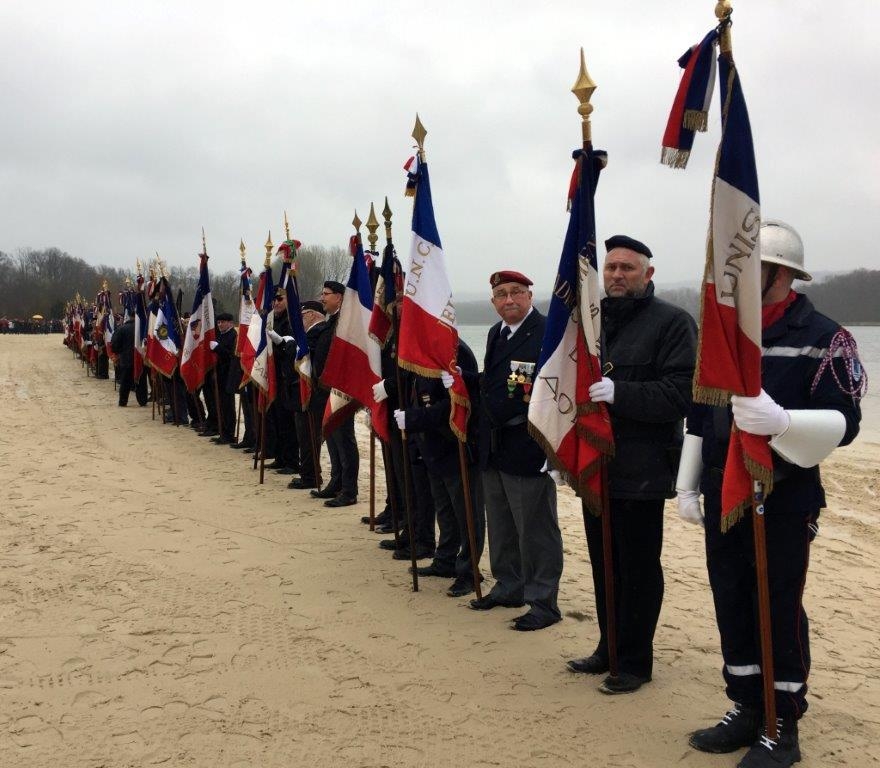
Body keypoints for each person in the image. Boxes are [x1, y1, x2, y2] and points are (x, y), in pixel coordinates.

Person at [678, 220, 863, 767]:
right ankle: (745, 706)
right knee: (731, 601)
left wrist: (783, 422)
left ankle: (783, 722)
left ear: (780, 272)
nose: (732, 282)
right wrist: (687, 482)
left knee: (777, 606)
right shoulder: (722, 336)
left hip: (784, 497)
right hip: (722, 490)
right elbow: (699, 410)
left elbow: (846, 422)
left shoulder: (827, 336)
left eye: (745, 270)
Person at [566, 235, 697, 694]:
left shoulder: (674, 323)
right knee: (603, 563)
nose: (618, 275)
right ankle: (609, 646)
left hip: (642, 468)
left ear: (648, 274)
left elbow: (682, 394)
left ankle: (636, 661)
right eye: (612, 268)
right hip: (595, 465)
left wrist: (621, 394)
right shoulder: (592, 320)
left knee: (638, 569)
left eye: (628, 268)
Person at [471, 270, 563, 631]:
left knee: (536, 528)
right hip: (494, 445)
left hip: (527, 444)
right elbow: (496, 383)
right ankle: (509, 585)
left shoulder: (545, 332)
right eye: (501, 295)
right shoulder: (497, 333)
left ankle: (543, 601)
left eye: (515, 293)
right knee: (502, 523)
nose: (508, 300)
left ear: (529, 296)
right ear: (493, 302)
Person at [395, 340, 485, 596]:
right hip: (431, 448)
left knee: (467, 515)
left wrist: (414, 419)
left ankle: (469, 571)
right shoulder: (421, 349)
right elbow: (415, 393)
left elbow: (460, 401)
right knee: (445, 511)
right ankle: (446, 559)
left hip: (455, 446)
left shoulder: (458, 350)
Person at [310, 281, 359, 507]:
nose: (322, 298)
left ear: (339, 297)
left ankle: (349, 490)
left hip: (340, 390)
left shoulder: (346, 322)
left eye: (326, 294)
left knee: (344, 439)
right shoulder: (331, 322)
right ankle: (336, 481)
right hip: (325, 388)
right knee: (331, 435)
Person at [289, 300, 326, 490]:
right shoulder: (309, 334)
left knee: (309, 435)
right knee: (304, 435)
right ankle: (308, 473)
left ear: (312, 314)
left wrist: (290, 347)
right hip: (303, 390)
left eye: (303, 315)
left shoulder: (319, 331)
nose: (300, 319)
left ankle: (311, 476)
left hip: (313, 393)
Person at [209, 312, 237, 444]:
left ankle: (229, 433)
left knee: (228, 406)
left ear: (230, 323)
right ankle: (223, 432)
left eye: (222, 322)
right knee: (220, 404)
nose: (220, 324)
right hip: (219, 374)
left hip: (228, 374)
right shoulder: (221, 335)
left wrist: (218, 348)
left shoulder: (233, 336)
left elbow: (230, 355)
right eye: (218, 322)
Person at [110, 314, 136, 407]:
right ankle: (142, 400)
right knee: (141, 379)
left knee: (125, 380)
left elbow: (114, 344)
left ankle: (123, 401)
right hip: (139, 358)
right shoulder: (141, 327)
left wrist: (118, 352)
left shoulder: (122, 328)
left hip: (126, 358)